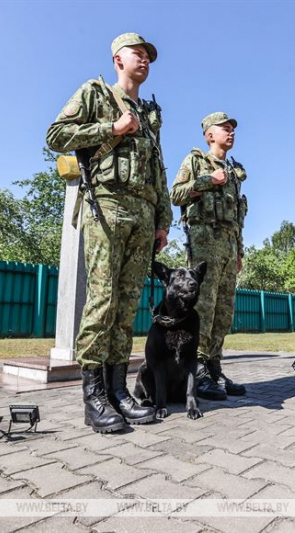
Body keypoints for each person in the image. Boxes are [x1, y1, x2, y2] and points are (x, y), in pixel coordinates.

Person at [46, 33, 173, 433]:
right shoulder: (95, 93)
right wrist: (111, 128)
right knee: (102, 301)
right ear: (118, 59)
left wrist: (163, 219)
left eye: (148, 56)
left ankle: (118, 390)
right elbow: (55, 136)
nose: (145, 60)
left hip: (142, 213)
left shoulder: (149, 113)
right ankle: (94, 397)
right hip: (107, 204)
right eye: (138, 54)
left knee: (127, 304)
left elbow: (158, 169)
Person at [169, 112, 248, 400]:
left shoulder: (233, 171)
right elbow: (176, 194)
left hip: (228, 246)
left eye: (232, 129)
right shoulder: (195, 162)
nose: (231, 132)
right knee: (203, 307)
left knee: (224, 311)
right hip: (204, 243)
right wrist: (207, 181)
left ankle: (214, 366)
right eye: (225, 128)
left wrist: (239, 251)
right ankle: (197, 369)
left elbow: (237, 215)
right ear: (209, 135)